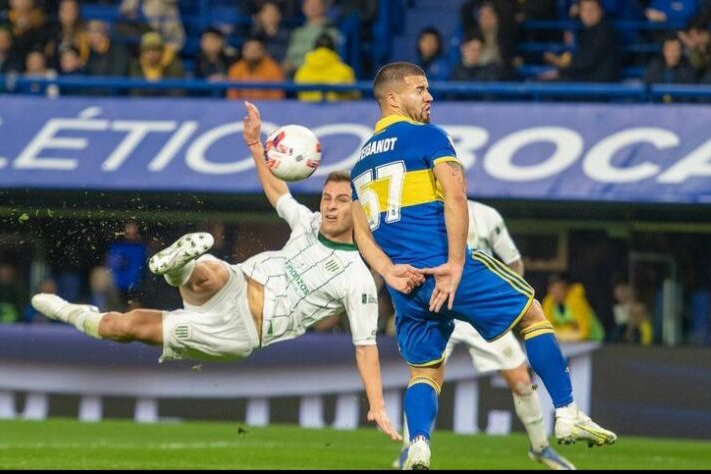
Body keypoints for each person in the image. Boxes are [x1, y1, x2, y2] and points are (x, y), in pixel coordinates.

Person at [32, 101, 420, 443]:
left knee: (123, 326)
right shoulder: (308, 222)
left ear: (359, 210)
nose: (331, 206)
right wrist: (255, 144)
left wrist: (377, 405)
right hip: (235, 283)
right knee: (213, 270)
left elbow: (366, 347)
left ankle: (77, 310)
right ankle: (181, 266)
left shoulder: (358, 277)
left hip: (239, 331)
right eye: (327, 198)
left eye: (341, 201)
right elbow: (278, 193)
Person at [349, 62, 616, 470]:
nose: (429, 96)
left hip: (407, 284)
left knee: (425, 371)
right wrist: (455, 264)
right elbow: (457, 196)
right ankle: (566, 413)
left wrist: (387, 272)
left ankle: (418, 444)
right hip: (444, 268)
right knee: (531, 315)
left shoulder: (360, 165)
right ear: (392, 98)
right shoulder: (428, 136)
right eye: (419, 89)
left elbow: (361, 231)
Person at [394, 200, 575, 470]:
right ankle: (411, 448)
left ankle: (541, 448)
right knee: (422, 376)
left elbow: (514, 262)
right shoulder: (422, 213)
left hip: (479, 308)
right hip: (439, 307)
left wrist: (506, 303)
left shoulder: (487, 215)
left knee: (521, 380)